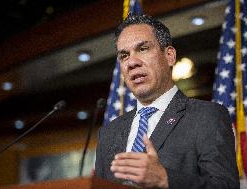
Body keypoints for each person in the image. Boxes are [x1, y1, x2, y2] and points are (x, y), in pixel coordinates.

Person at [95, 14, 239, 189]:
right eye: (124, 55)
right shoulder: (108, 133)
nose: (131, 62)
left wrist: (165, 179)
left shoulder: (206, 117)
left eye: (143, 49)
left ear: (169, 56)